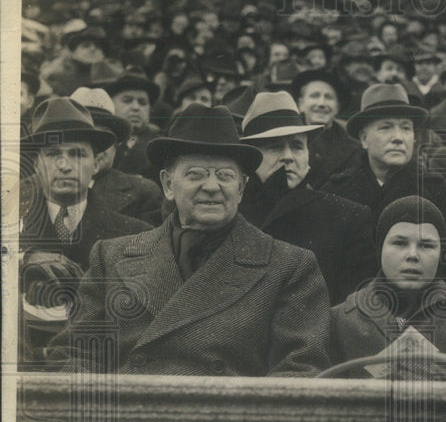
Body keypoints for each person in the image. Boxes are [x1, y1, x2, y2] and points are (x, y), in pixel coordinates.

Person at [46, 103, 331, 376]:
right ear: (168, 185)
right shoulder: (111, 257)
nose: (211, 186)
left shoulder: (289, 266)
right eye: (195, 174)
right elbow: (74, 355)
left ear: (241, 188)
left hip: (230, 420)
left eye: (225, 175)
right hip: (128, 417)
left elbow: (301, 368)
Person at [19, 97, 152, 365]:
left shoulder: (136, 235)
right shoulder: (10, 233)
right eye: (53, 154)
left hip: (96, 372)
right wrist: (23, 257)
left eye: (77, 154)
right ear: (36, 165)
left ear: (96, 163)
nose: (65, 165)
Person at [328, 196, 446, 381]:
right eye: (399, 243)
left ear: (441, 253)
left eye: (426, 245)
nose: (412, 255)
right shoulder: (339, 321)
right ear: (380, 247)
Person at [238, 91, 377, 304]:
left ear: (308, 155)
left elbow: (350, 309)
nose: (288, 156)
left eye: (296, 146)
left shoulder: (347, 217)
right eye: (274, 146)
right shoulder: (231, 213)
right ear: (251, 158)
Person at [320, 83, 446, 230]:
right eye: (385, 127)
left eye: (406, 128)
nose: (398, 137)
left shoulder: (439, 192)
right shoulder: (335, 192)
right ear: (364, 139)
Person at [68, 87, 164, 225]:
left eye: (103, 138)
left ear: (116, 145)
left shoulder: (144, 193)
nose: (93, 148)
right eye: (82, 138)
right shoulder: (35, 189)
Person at [288, 68, 365, 189]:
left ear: (338, 107)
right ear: (300, 104)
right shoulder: (285, 139)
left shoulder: (355, 148)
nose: (322, 103)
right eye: (314, 96)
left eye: (329, 97)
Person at [90, 62, 162, 181]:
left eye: (142, 103)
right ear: (111, 104)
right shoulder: (101, 142)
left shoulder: (159, 147)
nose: (136, 107)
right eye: (127, 100)